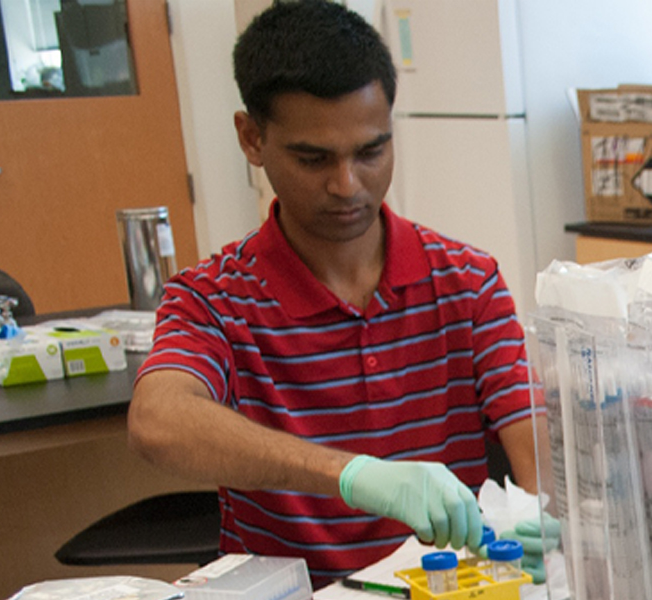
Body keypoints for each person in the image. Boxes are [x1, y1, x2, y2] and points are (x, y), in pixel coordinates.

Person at [127, 0, 541, 588]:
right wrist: (353, 476)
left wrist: (547, 511)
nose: (347, 185)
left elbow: (539, 454)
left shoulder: (466, 282)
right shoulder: (213, 299)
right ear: (251, 138)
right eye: (312, 158)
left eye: (371, 151)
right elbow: (158, 421)